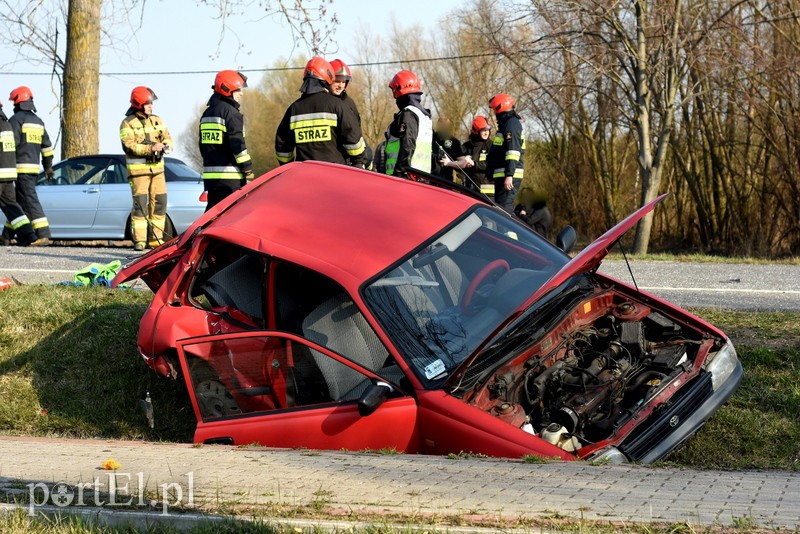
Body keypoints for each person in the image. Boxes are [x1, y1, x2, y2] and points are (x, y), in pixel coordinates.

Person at [275, 57, 366, 167]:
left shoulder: (294, 109)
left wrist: (288, 167)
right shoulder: (337, 105)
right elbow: (353, 139)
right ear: (328, 78)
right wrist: (358, 163)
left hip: (304, 175)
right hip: (336, 173)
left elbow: (282, 147)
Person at [119, 86, 173, 251]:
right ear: (139, 104)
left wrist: (166, 145)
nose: (151, 106)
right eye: (148, 104)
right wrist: (151, 149)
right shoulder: (127, 123)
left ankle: (155, 239)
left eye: (151, 104)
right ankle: (140, 241)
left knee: (160, 203)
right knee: (140, 206)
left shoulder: (157, 120)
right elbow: (128, 146)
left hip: (158, 171)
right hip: (138, 173)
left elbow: (167, 137)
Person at [199, 70, 253, 211]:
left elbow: (202, 146)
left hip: (211, 179)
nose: (241, 93)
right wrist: (247, 167)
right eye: (238, 90)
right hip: (230, 178)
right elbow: (237, 143)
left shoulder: (207, 113)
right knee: (231, 216)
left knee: (212, 216)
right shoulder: (231, 113)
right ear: (228, 90)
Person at [6, 86, 54, 245]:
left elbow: (10, 145)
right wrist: (48, 167)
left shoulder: (16, 120)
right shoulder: (38, 122)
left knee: (30, 201)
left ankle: (43, 234)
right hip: (34, 169)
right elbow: (47, 147)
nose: (13, 105)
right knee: (19, 202)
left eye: (14, 102)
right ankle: (7, 235)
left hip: (19, 168)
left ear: (18, 102)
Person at [0, 100, 36, 247]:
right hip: (8, 173)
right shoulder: (6, 123)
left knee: (10, 205)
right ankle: (28, 234)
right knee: (11, 206)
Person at [384, 70, 433, 177]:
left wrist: (399, 173)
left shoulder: (409, 114)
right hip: (420, 177)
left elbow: (408, 144)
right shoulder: (423, 116)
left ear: (399, 89)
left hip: (406, 177)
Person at [486, 93, 525, 214]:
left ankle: (509, 233)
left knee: (504, 212)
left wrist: (509, 175)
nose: (494, 113)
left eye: (494, 110)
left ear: (500, 108)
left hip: (508, 176)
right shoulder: (506, 124)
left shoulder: (511, 125)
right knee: (501, 210)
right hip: (503, 175)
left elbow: (512, 151)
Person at [432, 117, 470, 183]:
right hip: (428, 178)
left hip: (445, 181)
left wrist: (449, 163)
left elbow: (463, 163)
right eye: (441, 125)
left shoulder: (454, 142)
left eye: (445, 126)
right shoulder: (430, 138)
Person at [461, 115, 493, 192]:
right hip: (469, 188)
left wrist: (474, 164)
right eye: (483, 130)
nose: (486, 133)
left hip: (487, 191)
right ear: (476, 132)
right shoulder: (466, 146)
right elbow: (459, 163)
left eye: (488, 130)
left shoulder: (491, 145)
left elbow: (492, 164)